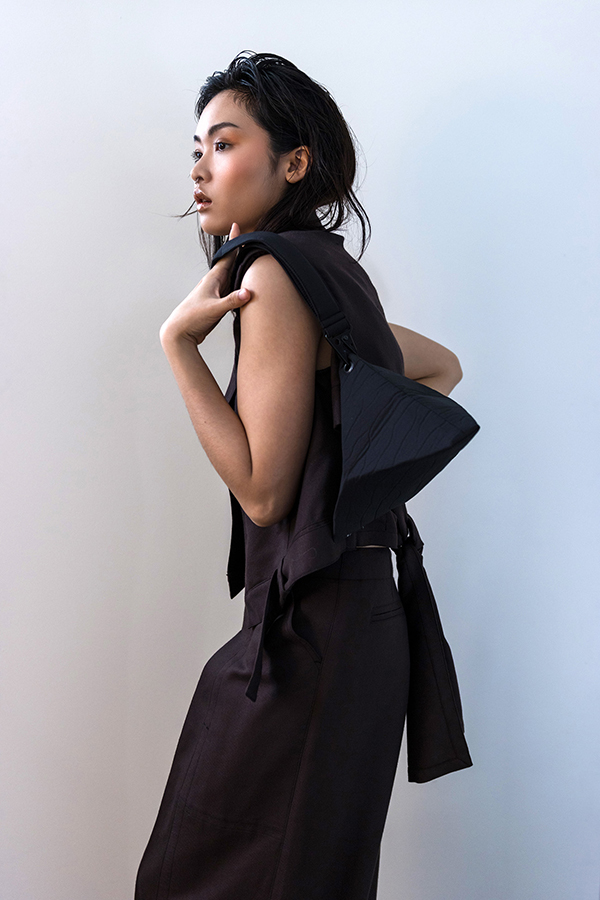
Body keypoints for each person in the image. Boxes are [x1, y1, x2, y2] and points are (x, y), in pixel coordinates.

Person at [134, 51, 466, 900]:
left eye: (224, 143)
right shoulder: (331, 274)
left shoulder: (276, 273)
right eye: (197, 149)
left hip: (313, 633)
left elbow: (264, 491)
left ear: (293, 163)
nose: (200, 168)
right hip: (356, 621)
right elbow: (438, 368)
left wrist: (179, 348)